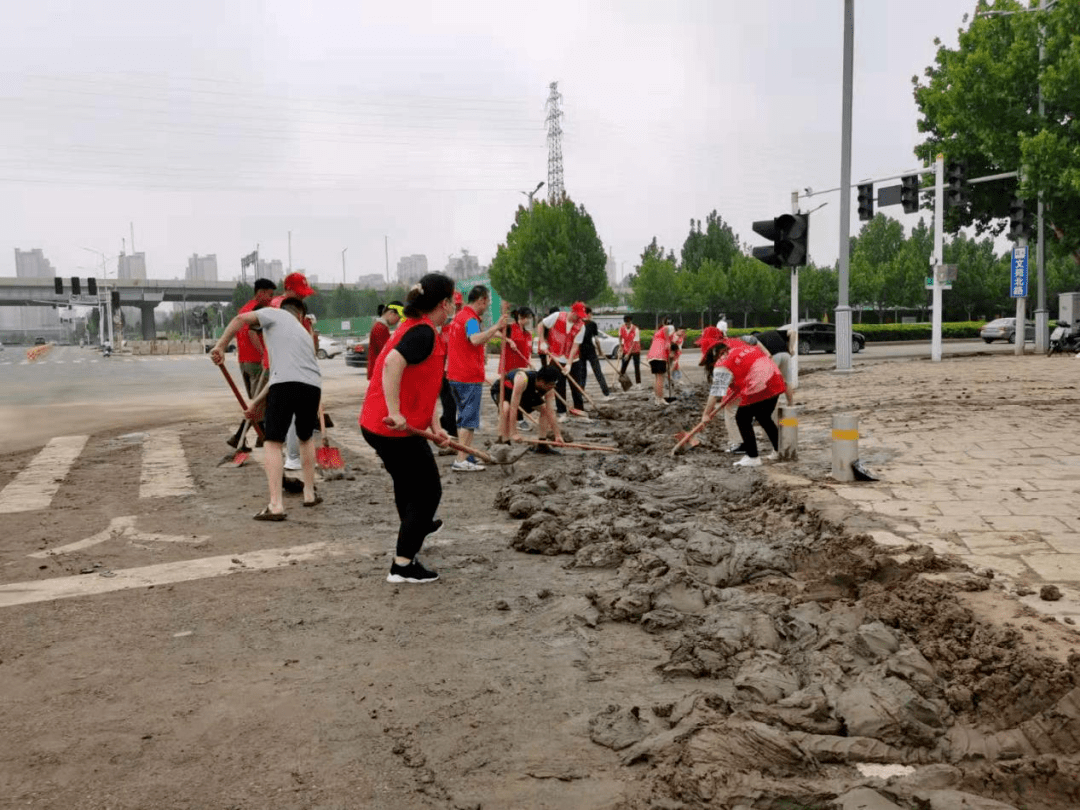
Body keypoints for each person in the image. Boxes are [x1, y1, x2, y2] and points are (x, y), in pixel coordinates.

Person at [360, 273, 456, 584]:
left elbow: (422, 386)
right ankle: (402, 566)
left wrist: (435, 425)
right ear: (444, 303)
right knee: (429, 491)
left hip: (381, 424)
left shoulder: (416, 328)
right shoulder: (423, 333)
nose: (455, 305)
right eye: (453, 300)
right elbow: (390, 365)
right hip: (390, 427)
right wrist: (395, 412)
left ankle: (412, 533)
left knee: (408, 485)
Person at [211, 296, 322, 519]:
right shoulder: (302, 333)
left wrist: (220, 346)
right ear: (301, 314)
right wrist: (255, 402)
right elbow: (283, 375)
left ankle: (275, 506)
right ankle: (309, 494)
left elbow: (241, 318)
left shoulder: (276, 313)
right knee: (306, 438)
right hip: (313, 386)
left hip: (287, 385)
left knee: (272, 442)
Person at [446, 285, 508, 472]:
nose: (488, 305)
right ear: (481, 299)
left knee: (463, 417)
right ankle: (462, 459)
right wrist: (496, 326)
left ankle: (467, 455)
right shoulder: (470, 319)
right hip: (467, 377)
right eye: (487, 301)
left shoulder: (459, 317)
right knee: (468, 420)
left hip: (456, 375)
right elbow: (475, 339)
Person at [702, 338, 786, 468]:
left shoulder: (722, 364)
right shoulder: (739, 350)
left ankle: (753, 457)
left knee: (742, 418)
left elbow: (716, 393)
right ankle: (780, 450)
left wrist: (706, 414)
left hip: (759, 385)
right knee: (763, 417)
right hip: (775, 380)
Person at [227, 277, 276, 451]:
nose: (271, 299)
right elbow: (252, 334)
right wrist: (265, 355)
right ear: (260, 293)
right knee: (259, 402)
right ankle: (239, 436)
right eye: (269, 295)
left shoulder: (244, 309)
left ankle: (261, 437)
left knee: (261, 402)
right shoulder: (258, 311)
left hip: (244, 362)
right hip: (257, 362)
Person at [490, 365, 564, 452]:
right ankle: (504, 441)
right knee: (506, 408)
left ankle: (542, 444)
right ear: (541, 381)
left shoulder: (549, 387)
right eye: (550, 384)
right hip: (504, 389)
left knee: (544, 409)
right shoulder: (522, 379)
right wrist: (514, 433)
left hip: (525, 393)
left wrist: (557, 435)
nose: (552, 387)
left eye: (553, 384)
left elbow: (550, 411)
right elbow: (514, 408)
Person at [536, 302, 587, 420]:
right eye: (577, 315)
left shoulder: (581, 326)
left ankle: (579, 410)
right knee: (559, 386)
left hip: (573, 360)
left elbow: (575, 346)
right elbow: (540, 325)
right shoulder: (557, 316)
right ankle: (562, 412)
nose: (579, 318)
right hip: (555, 357)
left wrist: (569, 364)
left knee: (576, 386)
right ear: (572, 311)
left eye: (581, 316)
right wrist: (542, 341)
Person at [437, 291, 464, 440]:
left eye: (459, 305)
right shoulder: (441, 325)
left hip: (459, 371)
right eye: (455, 305)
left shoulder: (468, 322)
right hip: (443, 371)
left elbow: (475, 341)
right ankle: (449, 430)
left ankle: (450, 428)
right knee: (449, 402)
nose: (457, 309)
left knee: (457, 404)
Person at [503, 307, 535, 432]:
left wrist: (530, 362)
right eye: (527, 317)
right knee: (513, 393)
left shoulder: (527, 333)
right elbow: (495, 332)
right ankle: (518, 420)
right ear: (521, 317)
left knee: (522, 393)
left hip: (523, 367)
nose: (528, 320)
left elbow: (528, 351)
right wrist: (509, 340)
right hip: (511, 368)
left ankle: (518, 417)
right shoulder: (511, 328)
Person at [750, 329, 796, 407]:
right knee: (787, 382)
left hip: (773, 356)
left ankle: (773, 407)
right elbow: (793, 332)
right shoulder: (774, 332)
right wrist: (791, 348)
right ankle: (790, 404)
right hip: (786, 354)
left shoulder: (755, 337)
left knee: (771, 383)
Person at [580, 306, 611, 400]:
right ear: (588, 314)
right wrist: (600, 351)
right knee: (598, 372)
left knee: (582, 374)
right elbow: (597, 340)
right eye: (591, 314)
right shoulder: (592, 324)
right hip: (590, 351)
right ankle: (606, 394)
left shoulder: (578, 324)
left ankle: (581, 394)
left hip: (580, 351)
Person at [367, 301, 403, 380]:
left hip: (377, 370)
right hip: (379, 371)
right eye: (398, 317)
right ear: (392, 313)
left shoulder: (380, 326)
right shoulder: (380, 328)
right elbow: (386, 350)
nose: (397, 321)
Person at [646, 317, 677, 407]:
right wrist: (671, 353)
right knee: (660, 378)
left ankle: (657, 398)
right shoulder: (668, 329)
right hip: (660, 356)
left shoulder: (658, 333)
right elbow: (668, 345)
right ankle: (660, 399)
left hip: (652, 356)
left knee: (657, 378)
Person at [619, 315, 642, 386]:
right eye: (626, 323)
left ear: (631, 321)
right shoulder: (622, 328)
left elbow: (634, 342)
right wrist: (621, 348)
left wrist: (628, 354)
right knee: (623, 366)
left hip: (635, 349)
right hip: (626, 349)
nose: (627, 324)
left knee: (636, 366)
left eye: (628, 322)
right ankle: (621, 382)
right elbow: (620, 338)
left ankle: (638, 383)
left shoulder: (636, 329)